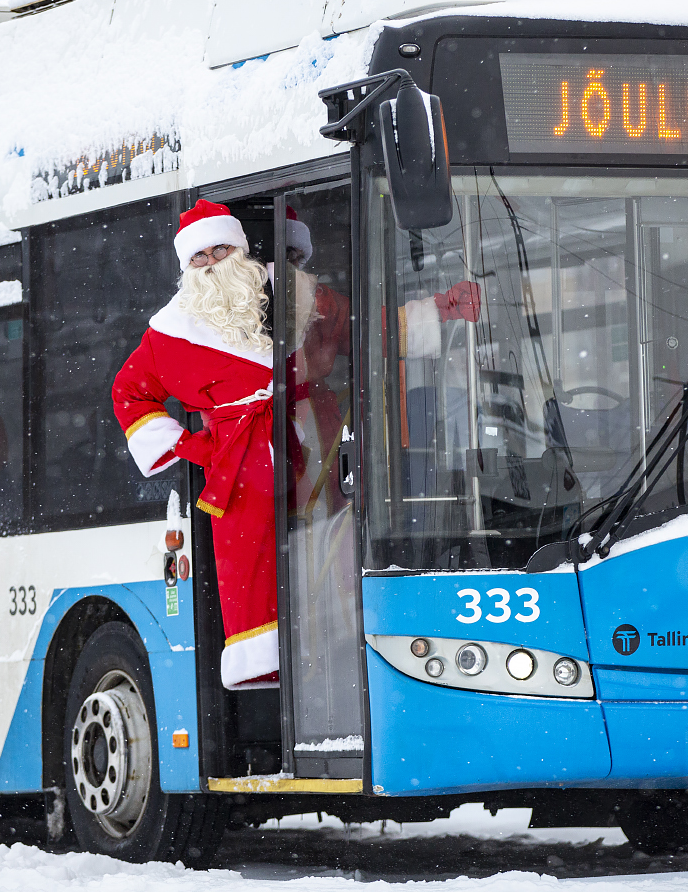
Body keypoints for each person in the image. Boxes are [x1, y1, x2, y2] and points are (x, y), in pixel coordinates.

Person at [112, 200, 479, 690]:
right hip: (241, 458)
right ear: (186, 266)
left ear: (238, 249)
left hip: (318, 437)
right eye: (199, 257)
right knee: (249, 555)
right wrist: (188, 446)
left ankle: (349, 648)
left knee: (337, 544)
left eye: (220, 250)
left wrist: (437, 311)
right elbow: (129, 392)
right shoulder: (167, 333)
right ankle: (263, 658)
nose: (211, 264)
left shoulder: (300, 294)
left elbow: (364, 327)